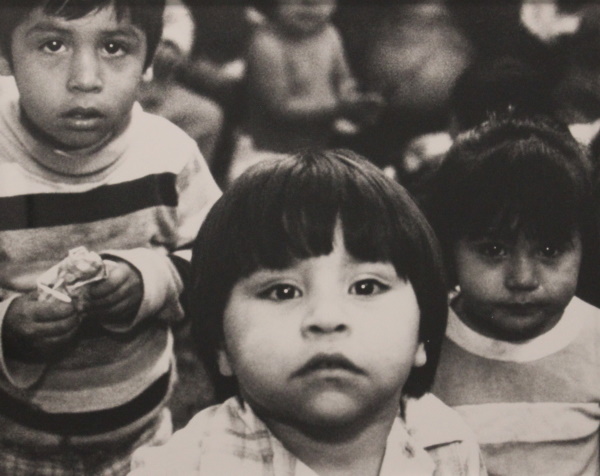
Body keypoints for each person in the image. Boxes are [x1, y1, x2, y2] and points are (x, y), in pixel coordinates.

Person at [129, 149, 486, 475]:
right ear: (221, 344)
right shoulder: (185, 468)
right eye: (283, 291)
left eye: (365, 287)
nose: (326, 318)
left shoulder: (447, 445)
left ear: (423, 332)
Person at [0, 0, 221, 474]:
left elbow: (218, 256)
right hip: (14, 447)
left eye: (115, 47)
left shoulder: (169, 155)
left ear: (149, 62)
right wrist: (7, 324)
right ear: (5, 55)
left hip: (141, 442)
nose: (85, 78)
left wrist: (152, 279)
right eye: (53, 44)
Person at [422, 115, 600, 475]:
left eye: (549, 251)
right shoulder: (420, 346)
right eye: (493, 250)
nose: (522, 279)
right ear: (449, 247)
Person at [227, 0, 382, 183]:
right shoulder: (266, 43)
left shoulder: (329, 34)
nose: (310, 4)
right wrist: (341, 107)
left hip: (318, 150)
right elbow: (280, 108)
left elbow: (343, 79)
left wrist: (355, 98)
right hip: (267, 154)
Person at [138, 0, 224, 167]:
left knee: (206, 115)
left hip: (157, 84)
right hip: (109, 84)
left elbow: (178, 21)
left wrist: (171, 46)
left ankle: (184, 188)